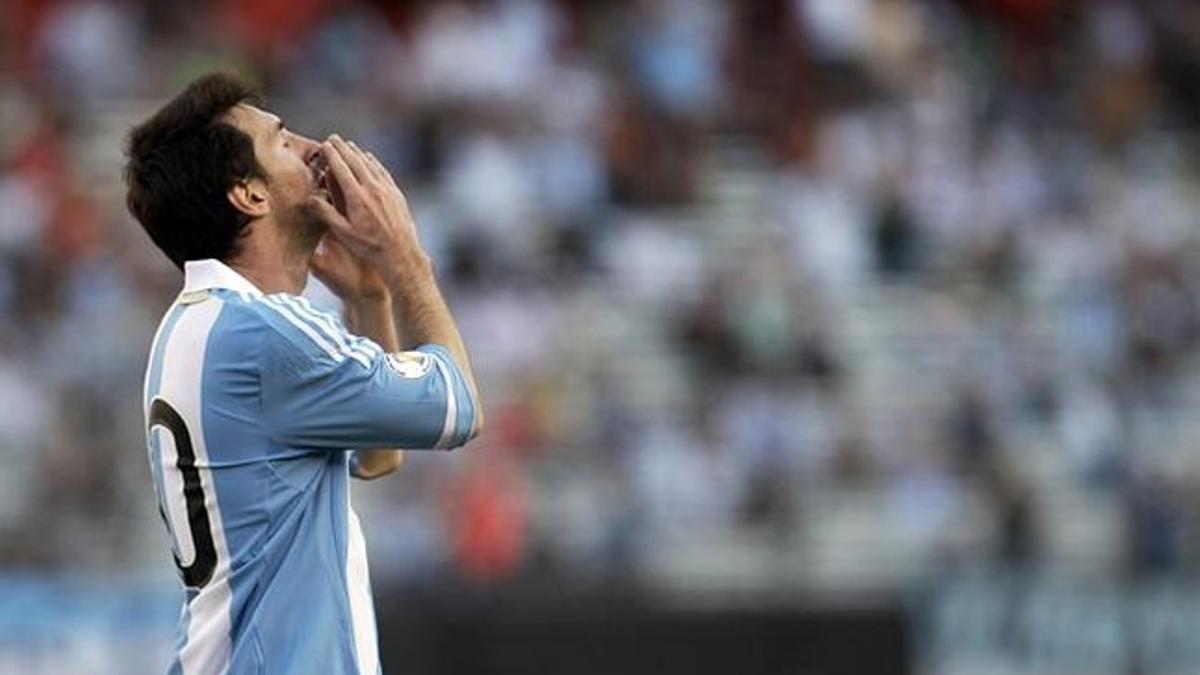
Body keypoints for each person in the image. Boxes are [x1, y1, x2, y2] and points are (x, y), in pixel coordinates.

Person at [124, 72, 483, 674]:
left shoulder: (200, 325)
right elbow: (457, 407)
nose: (317, 147)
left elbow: (379, 455)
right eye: (283, 141)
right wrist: (406, 261)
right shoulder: (263, 334)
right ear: (250, 194)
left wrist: (370, 301)